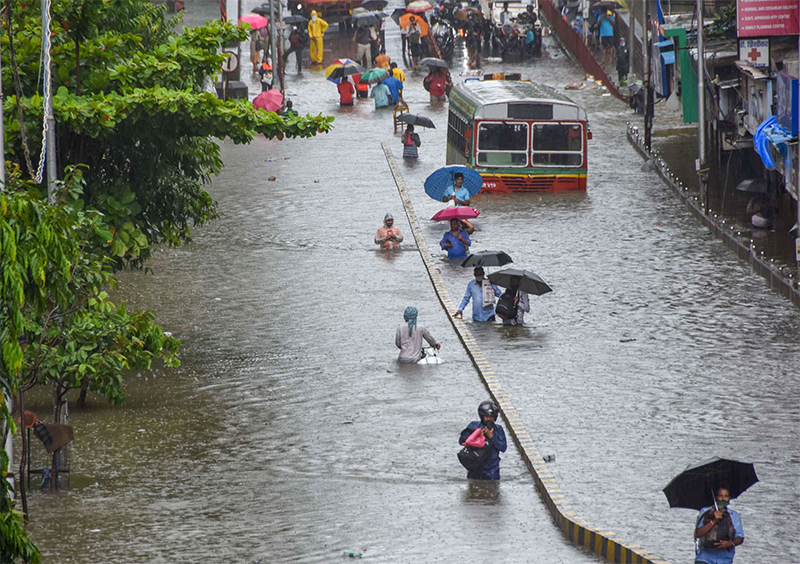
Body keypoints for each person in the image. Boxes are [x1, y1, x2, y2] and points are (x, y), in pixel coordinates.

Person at [694, 487, 744, 564]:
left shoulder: (734, 515)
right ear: (715, 497)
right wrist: (713, 521)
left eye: (726, 496)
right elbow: (697, 534)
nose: (723, 499)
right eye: (720, 496)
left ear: (729, 498)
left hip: (725, 559)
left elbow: (740, 537)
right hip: (705, 558)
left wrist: (730, 543)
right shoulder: (705, 512)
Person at [458, 401, 507, 480]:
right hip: (475, 467)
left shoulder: (498, 429)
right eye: (486, 417)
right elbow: (462, 441)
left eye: (491, 417)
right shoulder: (473, 426)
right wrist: (476, 435)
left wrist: (492, 437)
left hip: (492, 469)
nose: (489, 419)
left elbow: (503, 447)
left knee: (493, 489)